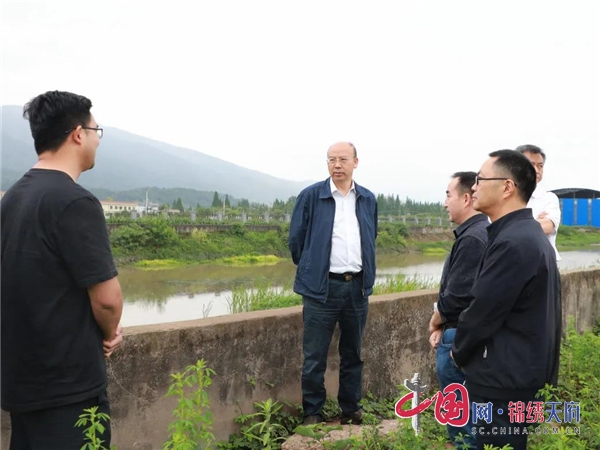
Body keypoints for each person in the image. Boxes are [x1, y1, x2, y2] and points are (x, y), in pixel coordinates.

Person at [1, 91, 124, 449]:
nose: (97, 140)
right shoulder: (74, 202)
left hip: (22, 383)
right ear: (77, 134)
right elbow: (107, 300)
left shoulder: (12, 198)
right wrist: (109, 332)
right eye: (95, 130)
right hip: (68, 389)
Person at [451, 150, 562, 450]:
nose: (473, 186)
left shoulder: (513, 243)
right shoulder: (524, 235)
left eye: (480, 179)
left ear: (507, 187)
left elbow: (481, 312)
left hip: (504, 382)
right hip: (520, 374)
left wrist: (457, 352)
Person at [289, 142, 377, 425]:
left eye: (342, 159)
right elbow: (296, 241)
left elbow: (370, 237)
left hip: (356, 288)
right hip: (321, 289)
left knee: (353, 354)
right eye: (331, 160)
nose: (336, 165)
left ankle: (350, 409)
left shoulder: (367, 199)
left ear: (355, 162)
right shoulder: (311, 196)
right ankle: (312, 413)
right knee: (314, 356)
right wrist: (312, 268)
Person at [428, 172, 488, 449]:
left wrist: (435, 321)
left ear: (466, 198)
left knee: (463, 421)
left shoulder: (473, 238)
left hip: (458, 338)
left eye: (448, 195)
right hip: (461, 332)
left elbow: (457, 295)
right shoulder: (478, 232)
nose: (444, 203)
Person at [516, 144, 561, 261]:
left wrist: (512, 226)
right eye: (531, 165)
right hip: (512, 261)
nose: (536, 170)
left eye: (540, 166)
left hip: (542, 263)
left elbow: (548, 226)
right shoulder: (504, 196)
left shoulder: (549, 198)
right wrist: (535, 220)